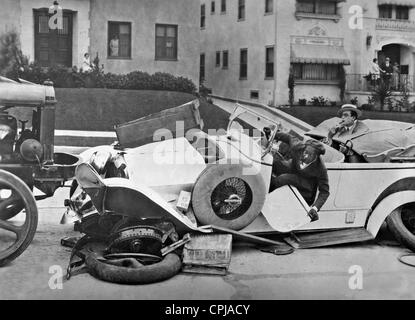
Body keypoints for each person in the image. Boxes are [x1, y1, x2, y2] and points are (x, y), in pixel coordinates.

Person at [270, 132, 330, 222]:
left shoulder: (321, 169)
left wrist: (315, 208)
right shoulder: (298, 147)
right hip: (294, 170)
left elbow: (324, 192)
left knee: (282, 179)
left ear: (316, 156)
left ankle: (269, 197)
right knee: (274, 163)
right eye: (305, 152)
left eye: (309, 155)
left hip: (306, 187)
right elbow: (289, 137)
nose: (304, 156)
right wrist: (272, 134)